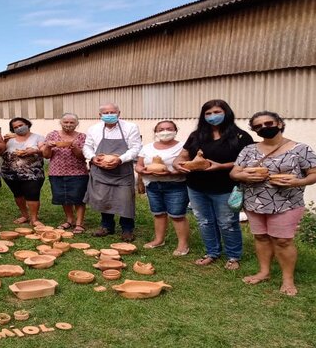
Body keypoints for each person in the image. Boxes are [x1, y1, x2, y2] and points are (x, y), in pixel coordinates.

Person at [230, 111, 316, 296]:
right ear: (254, 130)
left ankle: (288, 280)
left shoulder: (301, 149)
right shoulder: (249, 149)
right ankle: (264, 272)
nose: (264, 128)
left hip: (287, 203)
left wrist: (298, 181)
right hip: (254, 201)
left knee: (283, 240)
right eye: (258, 126)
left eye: (268, 123)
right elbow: (234, 173)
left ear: (279, 123)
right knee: (261, 237)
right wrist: (243, 175)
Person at [173, 99, 253, 270]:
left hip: (225, 187)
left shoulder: (241, 137)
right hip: (196, 186)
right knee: (204, 221)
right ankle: (212, 252)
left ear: (227, 113)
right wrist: (177, 163)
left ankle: (233, 256)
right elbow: (183, 155)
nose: (212, 116)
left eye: (217, 112)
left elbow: (249, 162)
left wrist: (221, 166)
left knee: (227, 222)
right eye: (208, 113)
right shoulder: (197, 135)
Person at [83, 103, 142, 241]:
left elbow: (136, 148)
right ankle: (106, 226)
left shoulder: (130, 127)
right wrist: (93, 158)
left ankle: (127, 229)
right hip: (100, 170)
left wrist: (119, 160)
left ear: (119, 113)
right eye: (106, 112)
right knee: (103, 197)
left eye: (113, 112)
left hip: (122, 170)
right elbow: (87, 146)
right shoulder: (94, 129)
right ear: (100, 115)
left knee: (125, 200)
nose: (110, 115)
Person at [135, 120, 190, 256]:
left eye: (169, 128)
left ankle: (183, 245)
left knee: (177, 215)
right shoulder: (147, 147)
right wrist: (143, 172)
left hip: (175, 184)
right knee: (158, 213)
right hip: (153, 185)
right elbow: (139, 165)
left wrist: (171, 173)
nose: (165, 131)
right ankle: (159, 240)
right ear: (156, 132)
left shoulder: (183, 147)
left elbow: (188, 166)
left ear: (175, 130)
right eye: (161, 129)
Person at [42, 113, 88, 234]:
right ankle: (69, 220)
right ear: (61, 123)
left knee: (79, 198)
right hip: (57, 172)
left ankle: (79, 223)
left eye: (72, 122)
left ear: (77, 124)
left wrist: (75, 148)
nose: (68, 125)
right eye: (65, 122)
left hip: (78, 172)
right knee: (64, 198)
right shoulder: (52, 135)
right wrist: (48, 146)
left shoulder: (82, 137)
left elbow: (84, 157)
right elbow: (46, 155)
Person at [1, 117, 46, 227]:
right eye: (15, 127)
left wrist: (35, 150)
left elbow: (44, 151)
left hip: (32, 173)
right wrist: (3, 142)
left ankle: (34, 219)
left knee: (33, 195)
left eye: (21, 125)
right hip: (10, 173)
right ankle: (24, 215)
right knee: (18, 194)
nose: (19, 128)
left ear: (27, 124)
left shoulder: (38, 137)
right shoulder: (9, 139)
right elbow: (0, 152)